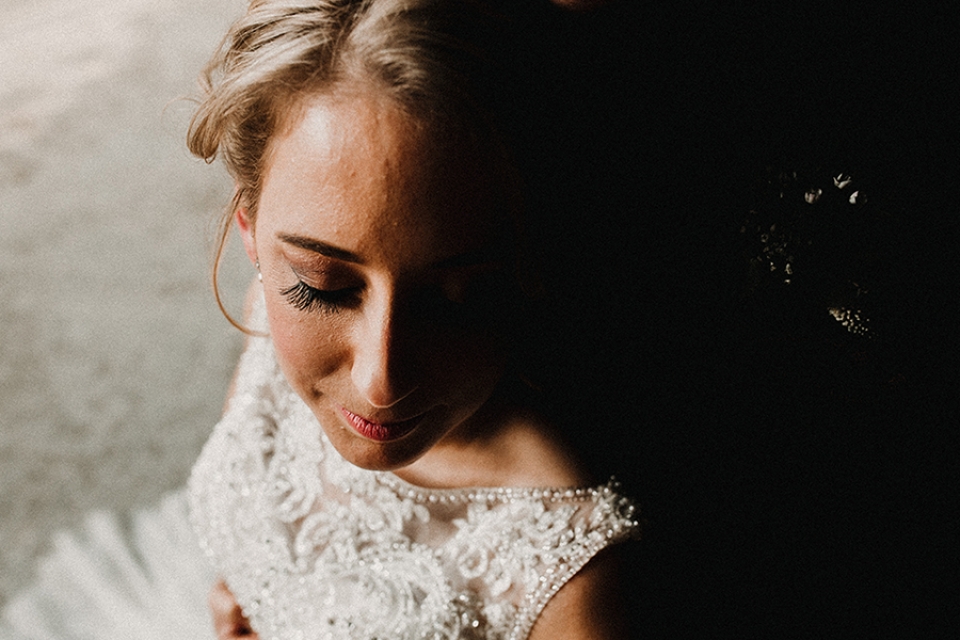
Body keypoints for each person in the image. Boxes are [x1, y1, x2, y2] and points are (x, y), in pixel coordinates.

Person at [184, 1, 640, 639]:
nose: (380, 383)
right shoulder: (271, 304)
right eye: (326, 287)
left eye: (459, 298)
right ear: (251, 231)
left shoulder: (574, 584)